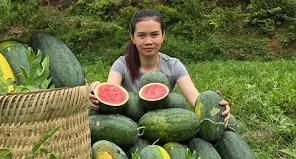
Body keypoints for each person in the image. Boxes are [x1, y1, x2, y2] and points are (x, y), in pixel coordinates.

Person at [89, 9, 230, 126]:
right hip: (130, 125)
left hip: (163, 124)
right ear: (133, 38)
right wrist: (96, 89)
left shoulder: (174, 65)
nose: (148, 41)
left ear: (163, 36)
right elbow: (112, 90)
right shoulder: (122, 64)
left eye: (154, 35)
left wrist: (213, 106)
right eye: (141, 35)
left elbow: (195, 99)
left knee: (229, 122)